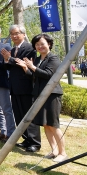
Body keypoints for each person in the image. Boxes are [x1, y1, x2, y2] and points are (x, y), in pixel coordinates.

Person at [15, 34, 67, 162]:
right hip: (39, 94)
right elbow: (34, 77)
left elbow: (49, 75)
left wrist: (32, 67)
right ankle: (54, 150)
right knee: (46, 124)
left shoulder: (53, 58)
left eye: (42, 43)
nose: (40, 46)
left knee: (54, 125)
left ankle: (63, 153)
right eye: (37, 45)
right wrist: (25, 68)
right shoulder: (38, 59)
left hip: (52, 95)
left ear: (49, 44)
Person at [2, 25, 41, 152]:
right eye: (12, 34)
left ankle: (35, 142)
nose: (14, 36)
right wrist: (6, 60)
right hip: (14, 87)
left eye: (17, 33)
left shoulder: (30, 48)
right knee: (18, 114)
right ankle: (26, 139)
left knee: (29, 115)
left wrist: (10, 59)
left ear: (23, 34)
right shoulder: (13, 49)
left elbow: (24, 64)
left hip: (26, 86)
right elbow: (12, 66)